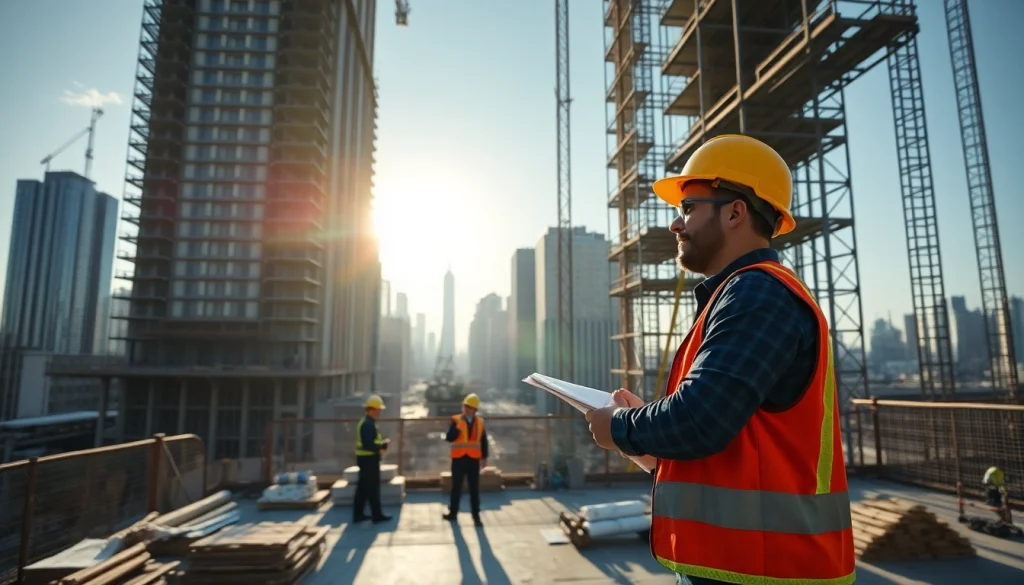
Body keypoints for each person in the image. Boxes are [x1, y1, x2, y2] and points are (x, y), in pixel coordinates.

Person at [584, 134, 855, 585]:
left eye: (688, 208)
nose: (676, 225)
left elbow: (700, 419)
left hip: (763, 570)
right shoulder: (741, 294)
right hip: (743, 566)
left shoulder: (757, 293)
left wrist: (618, 428)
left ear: (734, 212)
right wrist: (651, 443)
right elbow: (730, 433)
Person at [442, 393, 488, 526]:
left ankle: (476, 516)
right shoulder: (456, 420)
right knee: (456, 487)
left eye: (469, 407)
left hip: (473, 460)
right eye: (465, 406)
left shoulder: (480, 422)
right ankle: (453, 513)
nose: (466, 409)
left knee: (474, 489)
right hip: (459, 459)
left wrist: (484, 457)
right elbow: (449, 437)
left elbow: (483, 441)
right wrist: (457, 430)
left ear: (475, 409)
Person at [353, 395, 392, 524]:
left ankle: (358, 515)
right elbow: (368, 444)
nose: (380, 412)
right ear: (372, 410)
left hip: (365, 459)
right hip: (368, 460)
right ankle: (377, 515)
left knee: (363, 488)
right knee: (373, 488)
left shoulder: (366, 422)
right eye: (378, 409)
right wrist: (382, 445)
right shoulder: (368, 424)